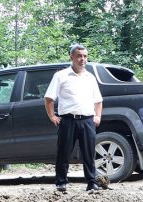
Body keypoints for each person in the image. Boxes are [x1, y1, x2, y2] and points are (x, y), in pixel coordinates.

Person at [44, 43, 103, 193]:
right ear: (72, 57)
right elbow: (49, 98)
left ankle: (91, 182)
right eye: (79, 56)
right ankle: (61, 183)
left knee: (89, 153)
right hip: (68, 120)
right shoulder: (61, 75)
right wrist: (52, 115)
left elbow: (98, 100)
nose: (82, 59)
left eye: (85, 56)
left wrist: (98, 116)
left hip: (88, 120)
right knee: (63, 152)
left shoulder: (90, 77)